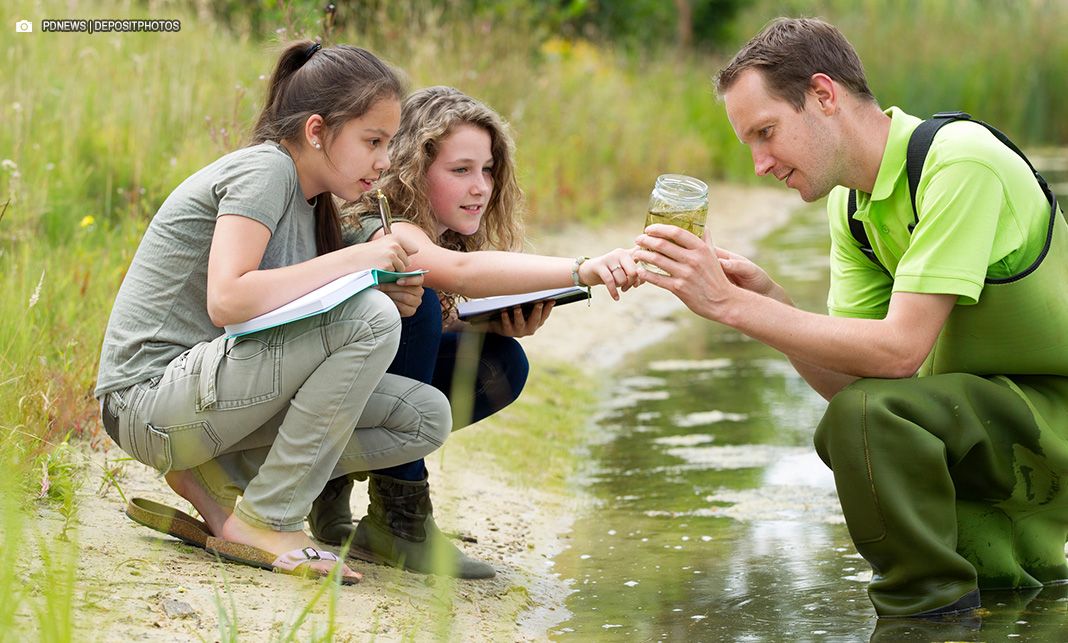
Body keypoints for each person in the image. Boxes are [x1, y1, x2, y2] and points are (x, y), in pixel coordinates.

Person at [635, 17, 1068, 618]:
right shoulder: (854, 208)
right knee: (856, 416)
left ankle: (926, 618)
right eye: (750, 144)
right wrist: (770, 304)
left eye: (767, 132)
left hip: (1050, 418)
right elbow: (859, 390)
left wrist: (732, 304)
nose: (760, 163)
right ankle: (948, 606)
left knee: (867, 416)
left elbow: (899, 352)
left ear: (823, 95)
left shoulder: (960, 163)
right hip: (988, 420)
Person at [206, 86, 641, 579]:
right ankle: (399, 516)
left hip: (336, 393)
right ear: (413, 168)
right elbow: (458, 271)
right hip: (286, 401)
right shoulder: (381, 227)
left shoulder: (418, 228)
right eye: (461, 170)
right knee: (417, 308)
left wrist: (488, 323)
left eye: (488, 169)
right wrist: (584, 269)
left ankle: (336, 493)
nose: (480, 186)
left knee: (499, 361)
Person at [95, 41, 452, 584]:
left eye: (389, 143)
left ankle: (221, 481)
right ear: (316, 131)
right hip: (147, 402)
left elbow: (283, 317)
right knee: (370, 318)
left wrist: (373, 280)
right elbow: (229, 298)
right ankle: (269, 517)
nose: (384, 161)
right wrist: (356, 263)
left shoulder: (313, 204)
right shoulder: (265, 171)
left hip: (211, 401)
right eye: (373, 141)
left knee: (424, 415)